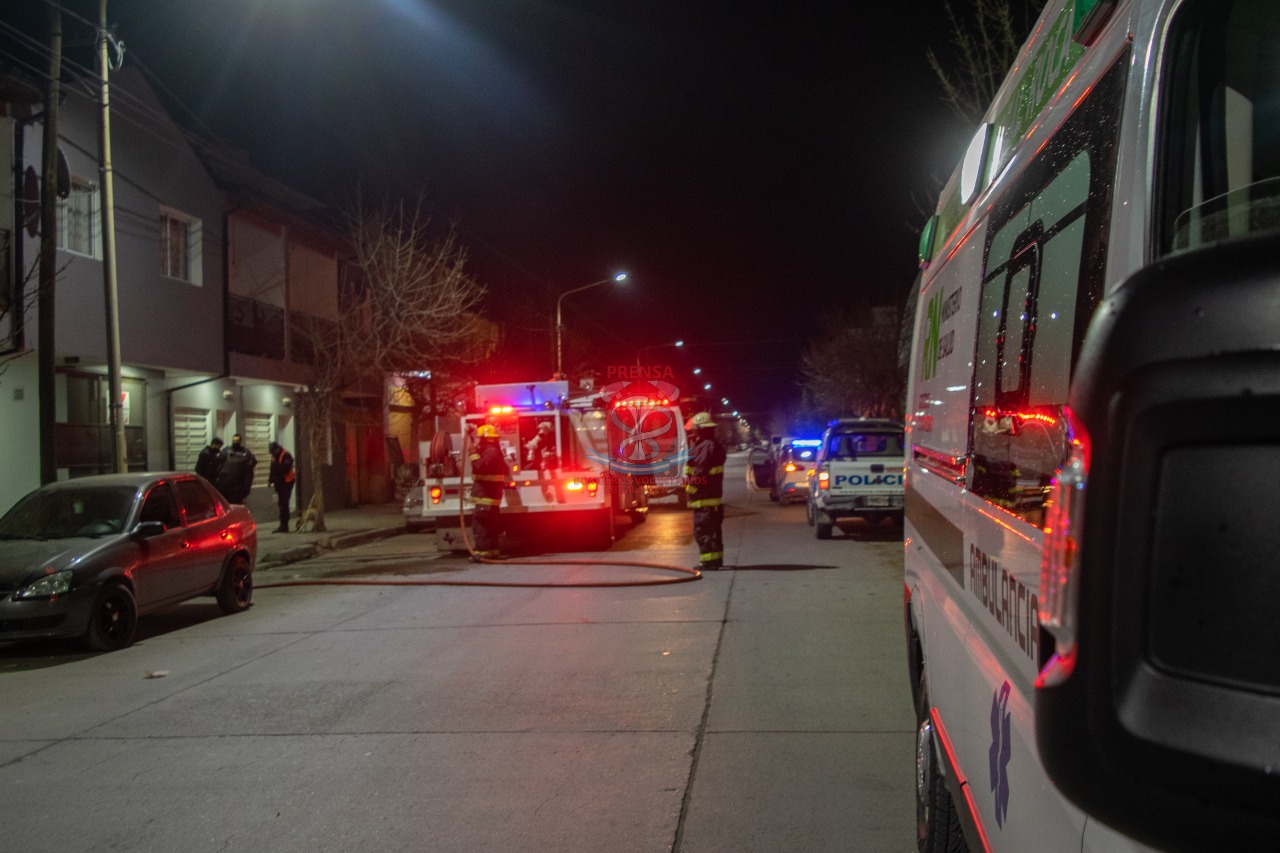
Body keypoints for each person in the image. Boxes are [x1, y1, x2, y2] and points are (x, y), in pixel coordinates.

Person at [685, 411, 726, 570]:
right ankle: (715, 560)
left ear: (701, 429)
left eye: (695, 429)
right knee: (713, 532)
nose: (692, 432)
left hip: (704, 498)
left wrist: (690, 488)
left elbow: (700, 471)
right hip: (711, 499)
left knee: (703, 531)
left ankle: (708, 562)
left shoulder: (705, 447)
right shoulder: (711, 446)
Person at [469, 424, 509, 562]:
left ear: (485, 439)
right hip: (489, 497)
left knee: (481, 525)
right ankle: (492, 552)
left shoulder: (490, 452)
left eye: (480, 438)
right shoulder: (492, 451)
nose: (478, 441)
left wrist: (472, 453)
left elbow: (479, 467)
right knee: (490, 525)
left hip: (485, 497)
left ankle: (482, 553)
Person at [214, 433, 257, 504]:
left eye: (237, 441)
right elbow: (218, 463)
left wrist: (246, 487)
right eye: (234, 440)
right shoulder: (226, 451)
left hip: (237, 485)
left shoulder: (246, 452)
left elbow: (252, 465)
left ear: (240, 441)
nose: (235, 442)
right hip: (224, 483)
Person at [267, 441, 296, 533]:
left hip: (287, 483)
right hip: (279, 483)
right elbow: (272, 469)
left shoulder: (286, 455)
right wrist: (270, 480)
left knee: (284, 504)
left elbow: (285, 470)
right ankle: (282, 525)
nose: (272, 454)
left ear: (277, 449)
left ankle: (284, 526)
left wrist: (275, 465)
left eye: (273, 452)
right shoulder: (275, 456)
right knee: (282, 504)